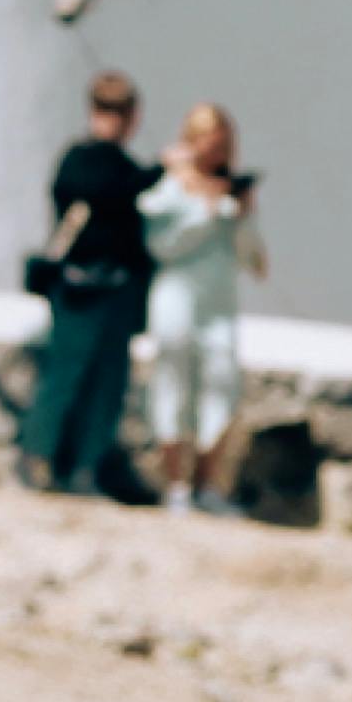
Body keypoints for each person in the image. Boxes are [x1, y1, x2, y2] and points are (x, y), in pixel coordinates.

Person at [18, 72, 156, 501]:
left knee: (108, 386)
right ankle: (36, 460)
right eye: (107, 111)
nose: (114, 120)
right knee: (65, 375)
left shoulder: (127, 168)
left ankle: (84, 470)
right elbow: (98, 192)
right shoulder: (81, 161)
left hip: (117, 292)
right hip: (79, 290)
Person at [133, 103, 265, 513]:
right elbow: (161, 246)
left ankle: (208, 486)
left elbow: (253, 260)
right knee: (172, 385)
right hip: (176, 299)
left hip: (219, 305)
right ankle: (176, 486)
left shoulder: (231, 193)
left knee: (222, 387)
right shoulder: (170, 188)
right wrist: (206, 212)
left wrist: (241, 216)